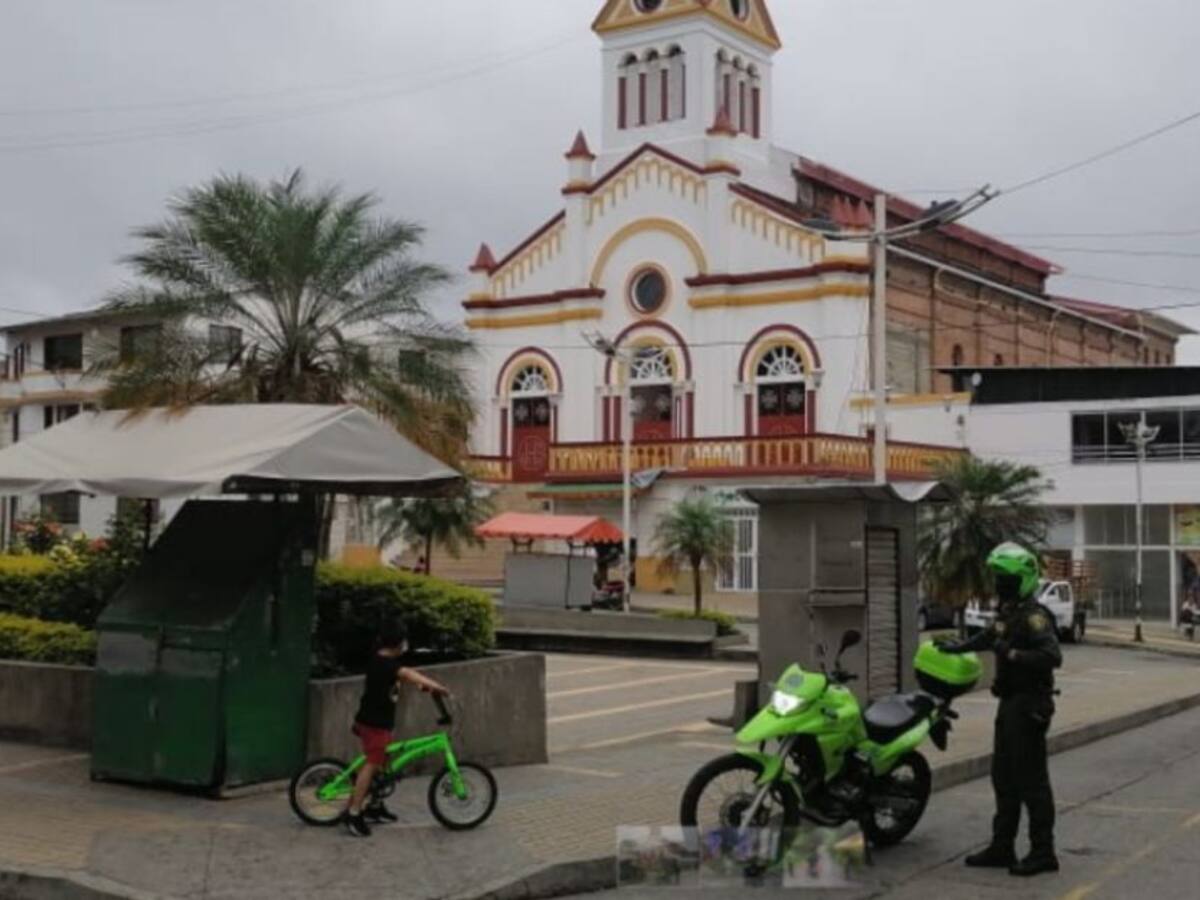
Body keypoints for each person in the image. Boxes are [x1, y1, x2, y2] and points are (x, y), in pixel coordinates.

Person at [938, 542, 1063, 877]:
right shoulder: (1010, 612)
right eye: (999, 577)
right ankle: (1002, 846)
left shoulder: (1035, 616)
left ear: (1023, 578)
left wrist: (1012, 656)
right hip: (1010, 704)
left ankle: (1043, 852)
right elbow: (989, 637)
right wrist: (956, 647)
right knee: (1003, 778)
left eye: (1006, 578)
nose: (1000, 583)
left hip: (1029, 705)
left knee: (1032, 782)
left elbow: (1052, 656)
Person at [345, 617, 451, 838]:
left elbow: (401, 679)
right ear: (397, 643)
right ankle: (354, 814)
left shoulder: (381, 662)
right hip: (373, 724)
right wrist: (437, 687)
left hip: (380, 723)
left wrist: (424, 688)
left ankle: (374, 807)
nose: (406, 645)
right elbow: (408, 673)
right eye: (404, 641)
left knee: (384, 764)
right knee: (372, 764)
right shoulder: (386, 665)